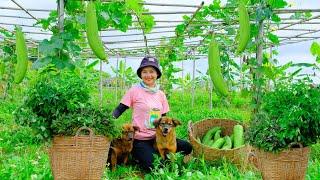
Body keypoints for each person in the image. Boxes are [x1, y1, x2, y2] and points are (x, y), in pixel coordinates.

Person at [112, 56, 192, 172]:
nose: (148, 75)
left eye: (151, 71)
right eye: (144, 72)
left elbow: (164, 118)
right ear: (140, 74)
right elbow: (120, 109)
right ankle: (139, 155)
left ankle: (155, 154)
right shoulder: (134, 90)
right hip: (140, 139)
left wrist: (168, 137)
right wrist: (107, 120)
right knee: (155, 166)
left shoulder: (161, 94)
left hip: (158, 137)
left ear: (157, 74)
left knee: (187, 147)